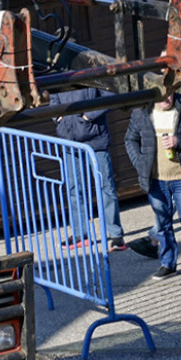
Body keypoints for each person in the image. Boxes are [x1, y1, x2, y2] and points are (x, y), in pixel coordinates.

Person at [125, 91, 181, 280]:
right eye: (161, 95)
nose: (166, 99)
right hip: (156, 179)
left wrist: (179, 141)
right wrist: (140, 163)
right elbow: (130, 139)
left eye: (169, 94)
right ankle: (168, 264)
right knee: (163, 225)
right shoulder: (141, 112)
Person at [53, 88, 125, 251]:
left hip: (96, 141)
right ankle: (80, 234)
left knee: (106, 186)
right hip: (70, 141)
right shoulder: (60, 74)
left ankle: (115, 235)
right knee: (74, 189)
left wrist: (87, 116)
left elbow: (111, 95)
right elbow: (53, 99)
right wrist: (59, 119)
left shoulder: (89, 70)